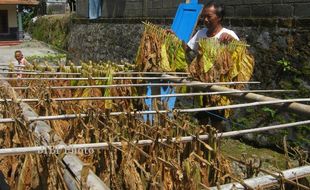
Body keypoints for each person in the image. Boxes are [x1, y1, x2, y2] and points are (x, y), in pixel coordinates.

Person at [186, 1, 240, 131]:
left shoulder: (229, 35)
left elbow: (239, 58)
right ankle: (203, 148)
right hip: (201, 85)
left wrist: (232, 43)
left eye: (208, 16)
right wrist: (175, 39)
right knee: (202, 121)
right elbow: (187, 49)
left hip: (218, 87)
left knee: (216, 123)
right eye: (203, 16)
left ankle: (213, 149)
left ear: (219, 17)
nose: (205, 20)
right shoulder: (200, 34)